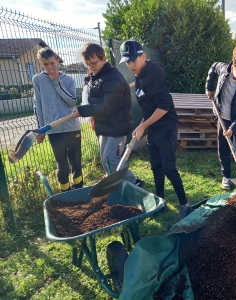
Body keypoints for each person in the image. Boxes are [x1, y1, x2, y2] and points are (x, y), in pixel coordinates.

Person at [120, 40, 192, 219]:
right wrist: (142, 125)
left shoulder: (153, 76)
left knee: (168, 168)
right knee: (156, 167)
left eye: (133, 60)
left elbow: (164, 107)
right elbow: (149, 108)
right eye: (127, 62)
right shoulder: (139, 75)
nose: (130, 65)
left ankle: (185, 204)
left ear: (143, 56)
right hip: (153, 127)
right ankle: (159, 203)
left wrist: (143, 125)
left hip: (166, 127)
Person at [72, 42, 144, 187]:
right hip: (105, 124)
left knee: (110, 158)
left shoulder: (113, 78)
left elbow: (108, 108)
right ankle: (115, 183)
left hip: (117, 126)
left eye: (93, 63)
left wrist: (82, 110)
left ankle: (134, 182)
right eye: (87, 64)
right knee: (105, 159)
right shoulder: (97, 76)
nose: (90, 67)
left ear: (104, 59)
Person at [33, 47, 83, 192]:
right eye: (46, 64)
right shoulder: (38, 80)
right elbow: (38, 106)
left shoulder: (68, 79)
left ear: (57, 61)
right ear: (41, 64)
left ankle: (79, 189)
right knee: (62, 164)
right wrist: (41, 130)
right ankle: (65, 192)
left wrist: (56, 82)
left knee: (76, 161)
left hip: (72, 128)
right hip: (54, 130)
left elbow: (72, 102)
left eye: (52, 63)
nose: (50, 67)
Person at [205, 46, 236, 189]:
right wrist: (209, 87)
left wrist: (233, 128)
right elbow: (213, 67)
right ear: (232, 66)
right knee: (223, 148)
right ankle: (226, 176)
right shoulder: (223, 69)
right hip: (223, 117)